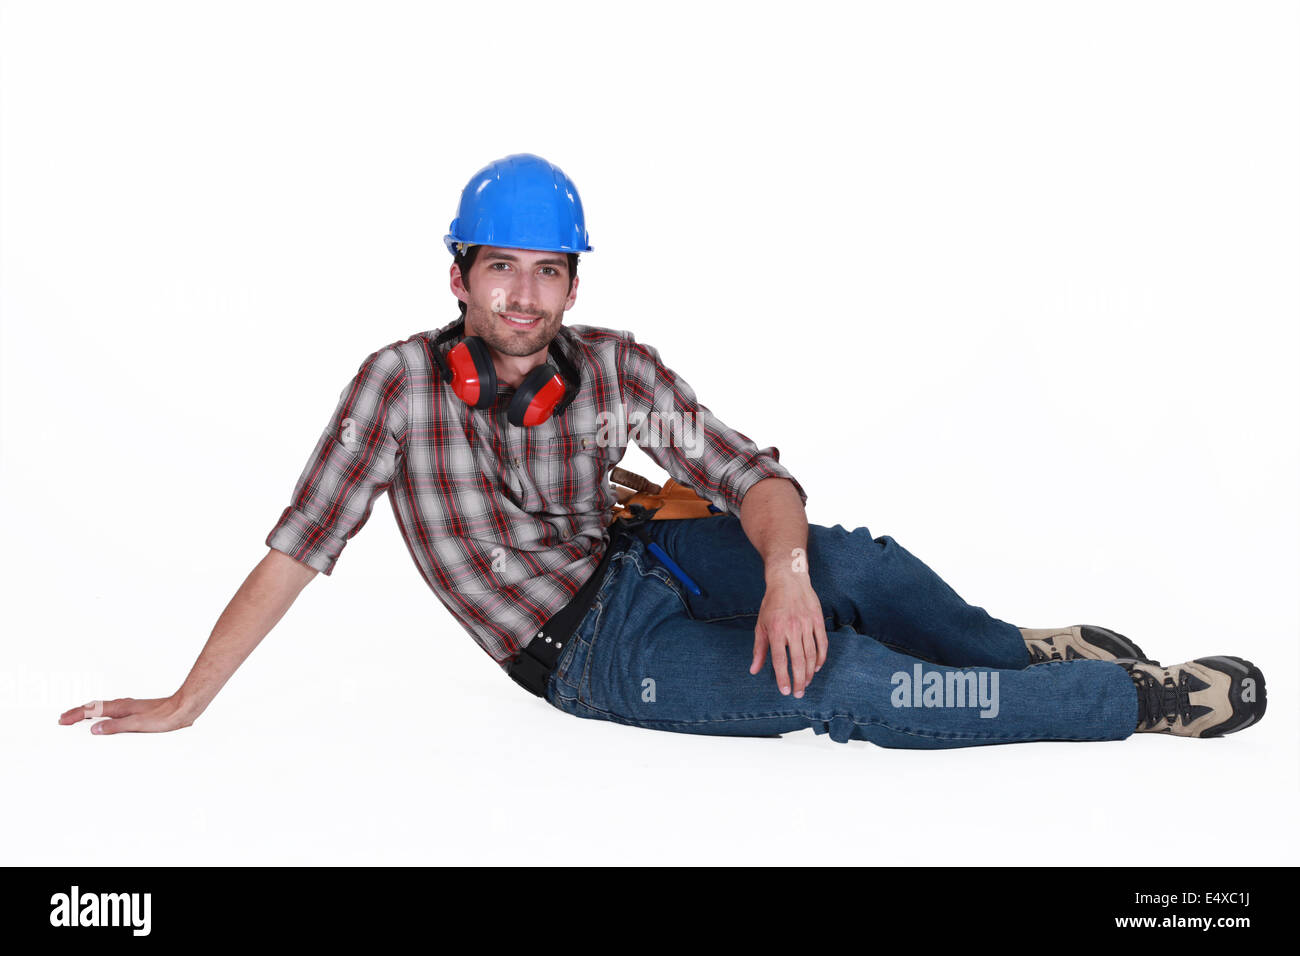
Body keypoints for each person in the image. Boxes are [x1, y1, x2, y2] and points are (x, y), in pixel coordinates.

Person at [59, 153, 1267, 747]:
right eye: (501, 270)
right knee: (837, 681)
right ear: (459, 278)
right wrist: (185, 700)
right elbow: (292, 552)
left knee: (860, 567)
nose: (525, 297)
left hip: (648, 558)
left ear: (571, 281)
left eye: (549, 272)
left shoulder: (618, 361)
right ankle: (1124, 698)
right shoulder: (390, 390)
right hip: (580, 653)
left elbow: (755, 477)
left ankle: (1010, 649)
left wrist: (786, 568)